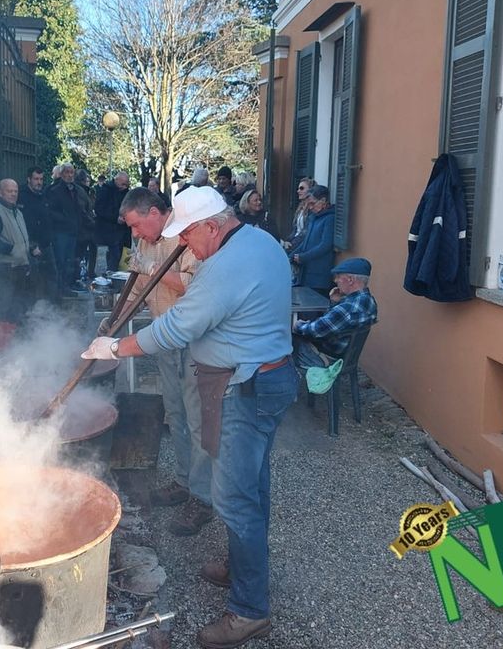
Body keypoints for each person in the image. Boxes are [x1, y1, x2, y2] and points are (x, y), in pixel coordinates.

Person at [82, 186, 295, 649]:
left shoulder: (225, 265)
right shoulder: (259, 241)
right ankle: (244, 569)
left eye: (187, 234)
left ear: (211, 226)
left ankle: (249, 611)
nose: (183, 244)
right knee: (253, 486)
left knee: (234, 496)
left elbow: (178, 328)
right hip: (267, 378)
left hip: (245, 387)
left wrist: (116, 347)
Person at [115, 187, 212, 536]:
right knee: (176, 414)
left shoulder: (185, 236)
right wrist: (113, 325)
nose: (135, 233)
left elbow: (194, 286)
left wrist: (152, 267)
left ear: (155, 213)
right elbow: (138, 291)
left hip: (193, 342)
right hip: (164, 341)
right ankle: (184, 482)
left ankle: (203, 498)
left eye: (137, 225)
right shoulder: (146, 242)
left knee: (198, 420)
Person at [292, 258, 377, 388]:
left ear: (350, 280)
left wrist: (298, 326)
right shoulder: (369, 301)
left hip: (325, 359)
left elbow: (317, 330)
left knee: (285, 339)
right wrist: (334, 303)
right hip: (345, 356)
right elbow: (334, 324)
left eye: (338, 277)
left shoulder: (347, 308)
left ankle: (282, 388)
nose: (335, 280)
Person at [0, 179, 33, 323]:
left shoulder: (17, 211)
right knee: (4, 305)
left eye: (15, 191)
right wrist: (13, 249)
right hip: (7, 267)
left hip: (20, 265)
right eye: (9, 191)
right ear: (0, 193)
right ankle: (2, 334)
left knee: (18, 305)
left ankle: (15, 333)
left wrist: (29, 248)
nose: (13, 194)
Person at [46, 163, 90, 292]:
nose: (70, 175)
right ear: (61, 174)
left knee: (70, 259)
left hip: (73, 230)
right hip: (60, 231)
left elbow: (81, 208)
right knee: (61, 260)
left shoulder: (76, 190)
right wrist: (65, 219)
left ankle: (68, 285)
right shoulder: (54, 191)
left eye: (72, 173)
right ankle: (60, 287)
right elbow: (51, 211)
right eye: (67, 172)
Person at [20, 166, 58, 303]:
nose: (39, 182)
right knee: (33, 281)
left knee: (52, 276)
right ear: (28, 179)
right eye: (36, 179)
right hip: (30, 246)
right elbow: (22, 224)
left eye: (41, 179)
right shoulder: (21, 196)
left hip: (46, 244)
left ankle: (51, 308)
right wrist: (32, 245)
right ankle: (32, 311)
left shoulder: (43, 195)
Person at [290, 185, 335, 296]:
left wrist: (304, 257)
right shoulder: (313, 218)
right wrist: (292, 255)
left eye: (312, 203)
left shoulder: (330, 218)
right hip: (306, 272)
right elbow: (306, 242)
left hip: (319, 275)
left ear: (323, 201)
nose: (310, 207)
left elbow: (325, 245)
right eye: (308, 204)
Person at [94, 172, 131, 273]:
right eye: (123, 184)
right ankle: (110, 273)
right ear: (117, 180)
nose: (124, 187)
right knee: (113, 256)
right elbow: (99, 209)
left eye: (126, 184)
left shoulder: (126, 192)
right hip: (109, 230)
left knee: (122, 256)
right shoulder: (105, 190)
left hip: (123, 231)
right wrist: (115, 218)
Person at [75, 168, 98, 280]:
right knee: (82, 252)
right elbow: (82, 210)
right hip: (85, 228)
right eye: (87, 180)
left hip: (88, 227)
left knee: (90, 250)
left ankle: (88, 272)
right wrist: (91, 221)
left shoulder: (88, 191)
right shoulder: (81, 191)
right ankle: (83, 273)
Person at [284, 177, 316, 250]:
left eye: (301, 188)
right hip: (294, 243)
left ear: (310, 190)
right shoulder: (300, 207)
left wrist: (292, 245)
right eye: (298, 188)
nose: (298, 191)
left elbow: (305, 233)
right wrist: (287, 241)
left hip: (302, 246)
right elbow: (295, 230)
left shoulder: (312, 209)